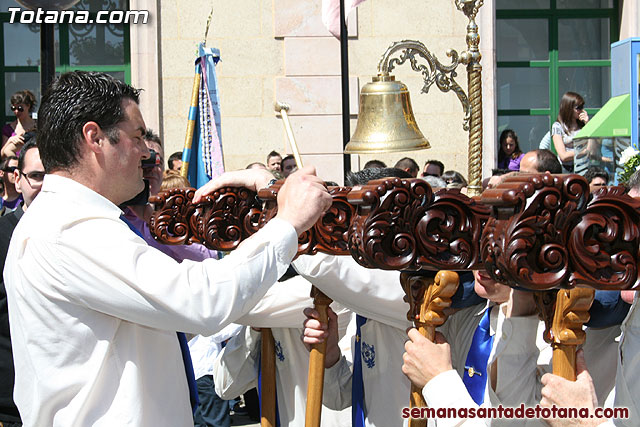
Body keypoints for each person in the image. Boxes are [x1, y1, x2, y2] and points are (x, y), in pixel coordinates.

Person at [3, 70, 332, 426]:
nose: (146, 152)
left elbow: (186, 301)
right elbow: (201, 300)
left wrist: (270, 205)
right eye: (137, 136)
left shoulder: (73, 221)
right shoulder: (67, 229)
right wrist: (288, 223)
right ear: (95, 137)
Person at [0, 138, 43, 427]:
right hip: (11, 408)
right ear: (17, 179)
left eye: (54, 176)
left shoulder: (82, 237)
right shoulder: (3, 234)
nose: (45, 185)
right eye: (36, 176)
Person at [552, 92, 589, 173]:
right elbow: (563, 156)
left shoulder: (583, 125)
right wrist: (584, 152)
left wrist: (587, 124)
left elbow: (592, 146)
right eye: (578, 108)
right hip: (566, 168)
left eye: (582, 107)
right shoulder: (558, 126)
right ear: (568, 108)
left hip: (583, 166)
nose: (581, 111)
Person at [1, 90, 37, 159]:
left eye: (20, 108)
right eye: (13, 108)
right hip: (15, 166)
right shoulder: (8, 129)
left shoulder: (38, 125)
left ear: (28, 106)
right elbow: (2, 156)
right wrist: (10, 141)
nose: (16, 111)